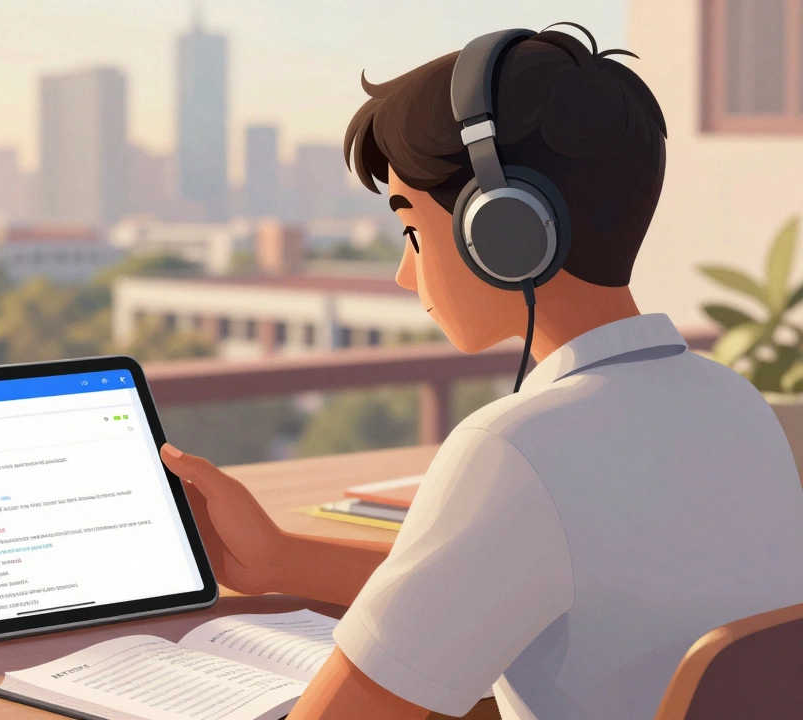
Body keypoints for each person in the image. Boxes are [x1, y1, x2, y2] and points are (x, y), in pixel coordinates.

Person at [159, 25, 803, 720]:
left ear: (505, 230)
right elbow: (531, 580)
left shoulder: (519, 448)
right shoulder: (732, 402)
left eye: (411, 230)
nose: (405, 275)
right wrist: (283, 560)